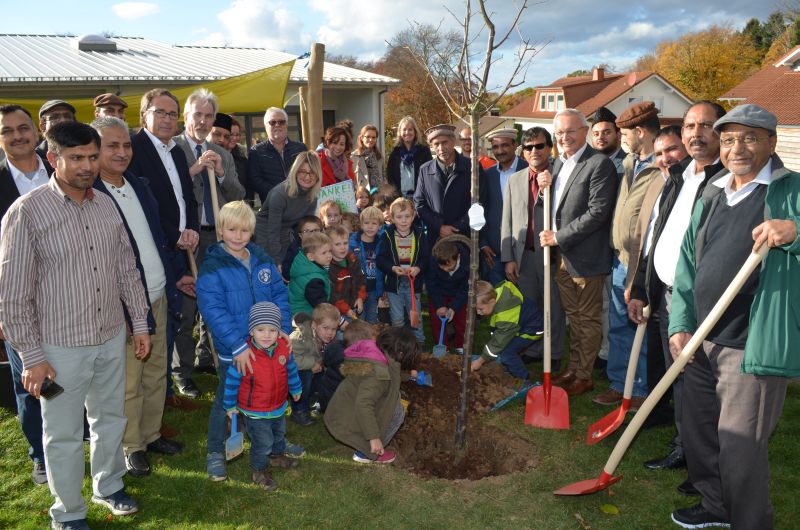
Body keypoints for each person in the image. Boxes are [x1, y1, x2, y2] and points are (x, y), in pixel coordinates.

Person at [0, 121, 151, 529]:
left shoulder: (106, 205)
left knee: (110, 419)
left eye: (91, 156)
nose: (87, 166)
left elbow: (126, 269)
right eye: (76, 158)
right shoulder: (26, 212)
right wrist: (31, 358)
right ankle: (67, 512)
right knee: (63, 434)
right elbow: (12, 296)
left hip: (109, 336)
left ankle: (108, 485)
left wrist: (139, 323)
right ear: (53, 159)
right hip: (59, 347)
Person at [667, 104, 799, 530]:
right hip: (702, 337)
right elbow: (688, 262)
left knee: (740, 445)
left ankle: (750, 522)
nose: (736, 147)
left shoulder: (789, 191)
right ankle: (714, 506)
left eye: (749, 137)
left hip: (750, 343)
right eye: (728, 140)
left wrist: (795, 231)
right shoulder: (714, 190)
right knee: (699, 431)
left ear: (771, 143)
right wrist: (680, 323)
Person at [628, 101, 725, 476]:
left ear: (721, 131)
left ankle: (706, 461)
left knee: (702, 384)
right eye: (689, 125)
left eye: (706, 125)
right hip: (668, 296)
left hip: (703, 301)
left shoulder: (725, 180)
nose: (696, 132)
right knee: (679, 379)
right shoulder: (679, 176)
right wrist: (640, 288)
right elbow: (655, 237)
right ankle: (686, 447)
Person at [91, 116, 184, 477]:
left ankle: (151, 433)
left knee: (156, 372)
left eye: (126, 145)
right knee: (129, 380)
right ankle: (132, 446)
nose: (121, 152)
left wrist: (176, 277)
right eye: (111, 145)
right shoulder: (93, 195)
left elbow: (157, 237)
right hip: (125, 304)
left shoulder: (139, 185)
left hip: (158, 294)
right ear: (95, 149)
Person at [195, 200, 292, 482]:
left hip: (267, 347)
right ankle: (215, 451)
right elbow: (213, 310)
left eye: (244, 231)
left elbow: (278, 295)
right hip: (234, 350)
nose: (238, 236)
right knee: (226, 400)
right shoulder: (213, 267)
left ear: (252, 232)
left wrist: (283, 328)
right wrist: (238, 345)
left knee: (268, 394)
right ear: (221, 231)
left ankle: (274, 447)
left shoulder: (261, 259)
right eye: (231, 229)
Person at [128, 88, 200, 411]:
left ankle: (164, 395)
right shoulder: (135, 149)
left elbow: (188, 197)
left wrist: (194, 230)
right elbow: (147, 208)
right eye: (161, 112)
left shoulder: (178, 151)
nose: (168, 119)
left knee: (175, 318)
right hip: (155, 248)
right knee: (156, 325)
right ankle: (157, 398)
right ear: (145, 115)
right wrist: (175, 236)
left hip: (182, 248)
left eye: (173, 114)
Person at [538, 108, 618, 396]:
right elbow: (551, 203)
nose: (564, 137)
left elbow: (598, 213)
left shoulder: (599, 165)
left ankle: (584, 375)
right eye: (559, 132)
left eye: (570, 131)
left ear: (585, 131)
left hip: (586, 257)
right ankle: (575, 367)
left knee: (588, 319)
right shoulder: (558, 164)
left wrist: (559, 237)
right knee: (575, 317)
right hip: (563, 258)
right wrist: (541, 186)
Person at [173, 88, 244, 396]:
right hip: (185, 237)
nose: (202, 121)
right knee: (187, 305)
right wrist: (195, 169)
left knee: (216, 300)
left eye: (208, 116)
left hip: (215, 234)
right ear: (186, 117)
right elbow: (169, 188)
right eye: (197, 115)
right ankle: (182, 372)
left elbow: (238, 193)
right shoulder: (173, 149)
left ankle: (210, 357)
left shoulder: (222, 152)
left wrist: (219, 173)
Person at [593, 102, 661, 409]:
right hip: (619, 259)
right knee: (619, 323)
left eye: (623, 133)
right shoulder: (631, 163)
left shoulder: (662, 168)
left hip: (642, 264)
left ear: (640, 132)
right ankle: (619, 383)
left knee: (639, 326)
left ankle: (641, 389)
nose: (621, 139)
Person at [0, 104, 53, 486]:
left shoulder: (59, 168)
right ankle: (41, 454)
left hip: (69, 293)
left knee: (73, 369)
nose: (18, 135)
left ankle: (74, 433)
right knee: (28, 380)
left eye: (23, 127)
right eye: (7, 131)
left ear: (36, 130)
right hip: (18, 299)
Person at [622, 125, 688, 428]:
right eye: (659, 153)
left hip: (681, 288)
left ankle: (684, 435)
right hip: (654, 282)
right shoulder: (661, 184)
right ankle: (659, 410)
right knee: (657, 355)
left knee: (680, 361)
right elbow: (647, 239)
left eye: (672, 149)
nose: (665, 158)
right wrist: (637, 286)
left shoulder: (691, 187)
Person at [501, 127, 566, 367]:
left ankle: (556, 353)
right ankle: (536, 348)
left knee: (554, 307)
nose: (534, 151)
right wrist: (508, 257)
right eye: (528, 147)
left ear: (549, 148)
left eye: (539, 146)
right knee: (530, 308)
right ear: (523, 152)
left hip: (551, 254)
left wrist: (545, 187)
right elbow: (506, 220)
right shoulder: (514, 180)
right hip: (523, 256)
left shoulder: (559, 176)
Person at [222, 302, 301, 492]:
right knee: (262, 442)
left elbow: (290, 370)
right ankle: (259, 470)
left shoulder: (283, 348)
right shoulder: (245, 354)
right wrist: (230, 406)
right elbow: (232, 381)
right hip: (254, 410)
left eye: (272, 330)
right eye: (260, 329)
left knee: (279, 435)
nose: (267, 335)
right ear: (251, 331)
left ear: (279, 331)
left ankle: (276, 457)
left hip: (278, 405)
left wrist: (296, 388)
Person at [324, 327, 419, 464]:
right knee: (397, 411)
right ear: (400, 353)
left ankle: (370, 443)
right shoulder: (378, 375)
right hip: (347, 417)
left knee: (394, 399)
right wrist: (374, 438)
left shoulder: (377, 353)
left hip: (345, 407)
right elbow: (364, 404)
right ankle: (369, 452)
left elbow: (393, 370)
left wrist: (409, 376)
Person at [376, 197, 429, 344]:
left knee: (415, 317)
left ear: (413, 216)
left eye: (407, 216)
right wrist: (392, 268)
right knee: (397, 318)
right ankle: (398, 346)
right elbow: (380, 259)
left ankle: (420, 345)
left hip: (413, 283)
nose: (404, 220)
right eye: (399, 217)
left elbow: (426, 257)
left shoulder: (419, 235)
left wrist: (418, 268)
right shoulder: (386, 236)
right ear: (392, 218)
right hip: (394, 284)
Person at [255, 151, 321, 265]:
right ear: (295, 172)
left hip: (288, 235)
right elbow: (273, 232)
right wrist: (278, 261)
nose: (307, 177)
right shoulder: (279, 194)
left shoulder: (312, 197)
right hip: (266, 234)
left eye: (312, 173)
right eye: (302, 172)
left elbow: (306, 228)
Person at [470, 281, 543, 382]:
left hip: (533, 328)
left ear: (491, 302)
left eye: (480, 309)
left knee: (507, 352)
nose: (478, 313)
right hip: (521, 322)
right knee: (503, 346)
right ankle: (509, 365)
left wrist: (480, 361)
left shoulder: (505, 316)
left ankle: (523, 379)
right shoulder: (498, 294)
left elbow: (499, 342)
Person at [481, 128, 527, 284]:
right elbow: (481, 210)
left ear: (515, 145)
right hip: (494, 251)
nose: (500, 151)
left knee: (526, 301)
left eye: (505, 145)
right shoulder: (487, 175)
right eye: (495, 147)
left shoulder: (528, 170)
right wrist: (483, 243)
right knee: (497, 301)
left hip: (524, 249)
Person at [414, 124, 473, 242]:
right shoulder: (425, 170)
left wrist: (457, 227)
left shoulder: (471, 167)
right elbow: (419, 204)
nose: (441, 148)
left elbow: (480, 202)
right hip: (435, 238)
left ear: (453, 141)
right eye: (436, 144)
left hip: (464, 237)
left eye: (444, 142)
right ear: (431, 146)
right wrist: (439, 226)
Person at [289, 303, 342, 425]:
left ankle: (318, 400)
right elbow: (290, 358)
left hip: (313, 369)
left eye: (334, 329)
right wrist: (312, 364)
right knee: (305, 375)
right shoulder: (300, 337)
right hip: (293, 376)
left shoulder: (323, 338)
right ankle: (299, 410)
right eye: (325, 328)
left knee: (327, 374)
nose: (330, 333)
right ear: (314, 325)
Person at [249, 107, 307, 202]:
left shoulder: (300, 148)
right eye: (272, 122)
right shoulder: (256, 151)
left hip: (299, 201)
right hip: (272, 204)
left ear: (286, 125)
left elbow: (309, 172)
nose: (277, 125)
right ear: (265, 126)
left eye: (281, 122)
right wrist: (278, 193)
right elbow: (255, 180)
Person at [318, 319, 374, 412]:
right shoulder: (350, 361)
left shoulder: (334, 348)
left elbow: (326, 362)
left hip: (326, 394)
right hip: (336, 403)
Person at [428, 236, 469, 351]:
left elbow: (466, 288)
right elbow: (431, 284)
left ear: (458, 257)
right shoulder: (433, 259)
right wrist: (439, 305)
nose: (445, 269)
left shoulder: (469, 263)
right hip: (439, 292)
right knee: (437, 321)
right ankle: (441, 347)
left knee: (462, 321)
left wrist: (454, 307)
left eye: (449, 265)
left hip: (459, 293)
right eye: (442, 266)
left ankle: (461, 347)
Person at [350, 206, 385, 324]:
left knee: (372, 321)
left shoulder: (382, 243)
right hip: (358, 289)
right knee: (359, 321)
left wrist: (382, 290)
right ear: (361, 224)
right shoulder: (353, 243)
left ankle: (370, 342)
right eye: (366, 223)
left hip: (374, 289)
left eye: (374, 223)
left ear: (380, 225)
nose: (370, 226)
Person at [327, 224, 366, 323]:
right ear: (328, 246)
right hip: (338, 313)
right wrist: (346, 309)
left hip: (356, 307)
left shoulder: (353, 259)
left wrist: (360, 298)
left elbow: (361, 280)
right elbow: (332, 295)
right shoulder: (328, 267)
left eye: (345, 243)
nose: (343, 247)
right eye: (337, 244)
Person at [288, 231, 333, 315]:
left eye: (330, 251)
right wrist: (340, 321)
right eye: (324, 253)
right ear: (311, 256)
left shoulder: (305, 265)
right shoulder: (313, 280)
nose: (329, 255)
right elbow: (321, 307)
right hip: (304, 318)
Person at [386, 116, 432, 197]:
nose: (407, 132)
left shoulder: (424, 151)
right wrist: (396, 195)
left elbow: (429, 174)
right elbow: (390, 177)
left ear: (415, 132)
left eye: (410, 129)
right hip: (400, 198)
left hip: (420, 197)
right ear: (400, 132)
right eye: (404, 129)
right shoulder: (395, 154)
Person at [280, 214, 323, 282]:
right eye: (306, 231)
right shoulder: (294, 250)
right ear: (300, 235)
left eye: (315, 230)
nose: (311, 235)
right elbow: (286, 271)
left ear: (321, 232)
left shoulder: (326, 247)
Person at [591, 106, 626, 178]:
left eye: (606, 133)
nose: (600, 137)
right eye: (596, 134)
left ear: (619, 135)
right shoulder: (587, 164)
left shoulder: (629, 164)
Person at [227, 117, 253, 203]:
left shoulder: (243, 158)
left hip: (241, 208)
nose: (234, 138)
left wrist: (248, 203)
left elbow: (249, 185)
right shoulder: (213, 156)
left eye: (237, 134)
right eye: (231, 134)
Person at [351, 124, 384, 190]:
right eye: (368, 137)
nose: (371, 140)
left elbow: (383, 177)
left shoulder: (379, 157)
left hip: (378, 195)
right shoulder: (354, 157)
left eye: (373, 137)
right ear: (362, 138)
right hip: (362, 196)